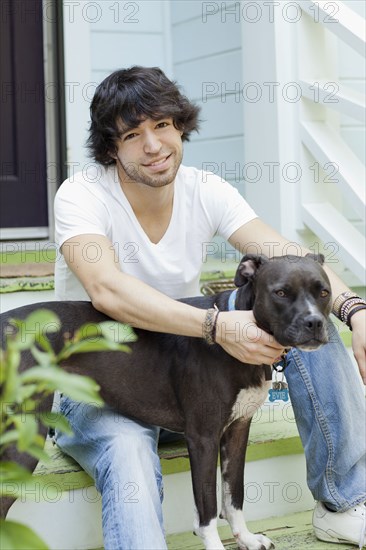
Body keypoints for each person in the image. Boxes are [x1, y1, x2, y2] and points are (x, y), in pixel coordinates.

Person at [54, 66, 366, 549]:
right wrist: (215, 325)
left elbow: (288, 258)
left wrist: (355, 312)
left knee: (314, 332)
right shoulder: (82, 195)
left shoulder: (206, 189)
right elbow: (107, 290)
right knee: (129, 450)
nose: (154, 146)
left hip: (191, 384)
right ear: (112, 148)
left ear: (180, 126)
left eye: (162, 125)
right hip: (102, 385)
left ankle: (341, 504)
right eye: (133, 135)